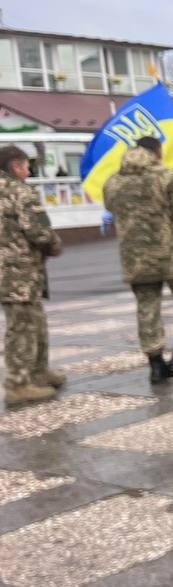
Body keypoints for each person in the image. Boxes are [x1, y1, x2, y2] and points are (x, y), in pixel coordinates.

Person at [103, 136, 173, 383]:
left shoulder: (112, 183)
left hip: (135, 257)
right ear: (157, 152)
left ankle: (156, 364)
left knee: (147, 306)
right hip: (171, 253)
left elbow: (111, 208)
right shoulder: (168, 177)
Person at [0, 146, 63, 405]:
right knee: (22, 327)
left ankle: (38, 372)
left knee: (33, 321)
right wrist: (55, 245)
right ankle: (18, 384)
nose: (28, 171)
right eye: (27, 166)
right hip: (20, 271)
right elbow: (38, 230)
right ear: (16, 167)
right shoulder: (20, 192)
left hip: (8, 272)